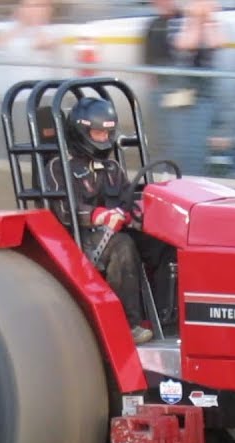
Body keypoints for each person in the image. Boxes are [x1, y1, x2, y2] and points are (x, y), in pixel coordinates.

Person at [43, 96, 156, 345]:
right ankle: (129, 325)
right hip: (75, 240)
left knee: (159, 242)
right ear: (81, 130)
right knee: (123, 245)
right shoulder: (59, 167)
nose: (104, 139)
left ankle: (165, 316)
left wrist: (135, 212)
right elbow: (63, 209)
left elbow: (129, 198)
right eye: (97, 133)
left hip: (112, 232)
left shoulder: (112, 167)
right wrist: (98, 215)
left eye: (108, 133)